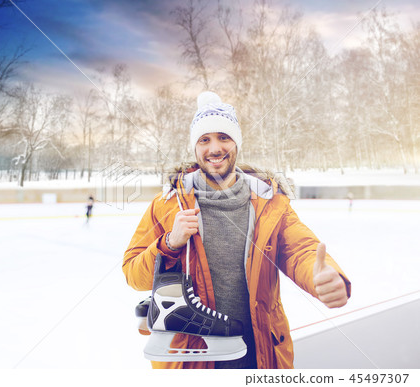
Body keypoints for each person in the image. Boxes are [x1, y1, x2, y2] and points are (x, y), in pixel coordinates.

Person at [123, 91, 351, 369]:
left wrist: (321, 276)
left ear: (237, 144)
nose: (215, 148)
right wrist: (170, 242)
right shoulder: (166, 205)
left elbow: (300, 251)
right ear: (194, 148)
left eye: (224, 137)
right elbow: (133, 273)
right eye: (204, 140)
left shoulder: (269, 202)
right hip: (193, 358)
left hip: (259, 351)